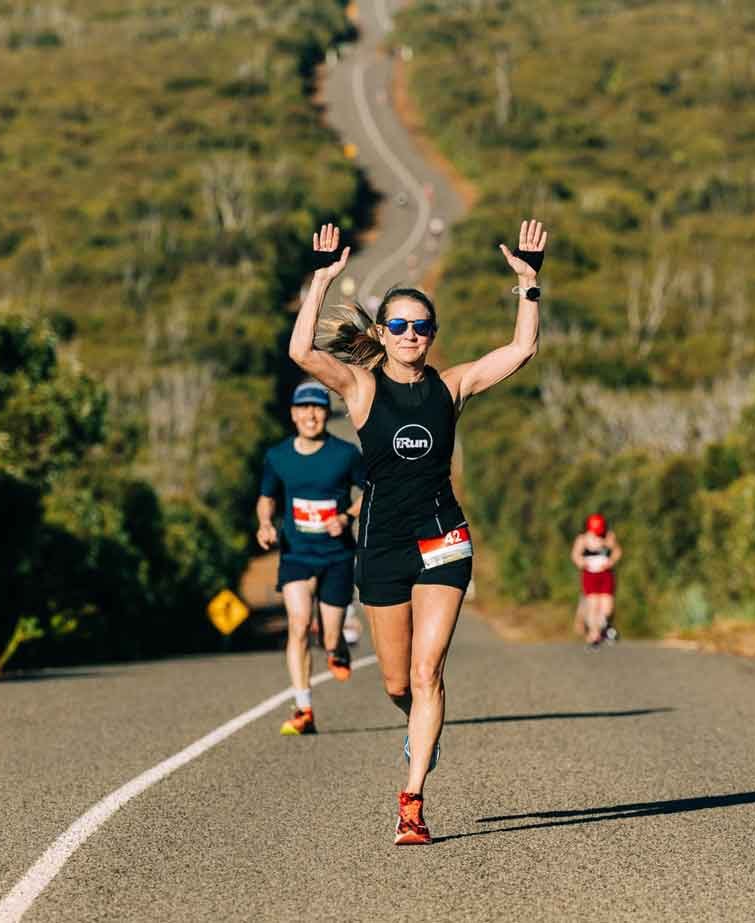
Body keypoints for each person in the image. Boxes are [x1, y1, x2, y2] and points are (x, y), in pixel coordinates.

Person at [289, 219, 546, 844]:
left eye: (421, 326)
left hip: (443, 539)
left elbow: (521, 352)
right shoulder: (361, 386)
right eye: (399, 326)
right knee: (399, 682)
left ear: (432, 334)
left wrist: (529, 286)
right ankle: (423, 724)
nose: (411, 335)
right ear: (382, 333)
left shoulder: (450, 386)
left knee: (429, 674)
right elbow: (301, 353)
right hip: (382, 547)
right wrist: (321, 281)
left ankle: (412, 800)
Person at [257, 380, 365, 736]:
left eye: (317, 408)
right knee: (299, 623)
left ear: (325, 414)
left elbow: (371, 491)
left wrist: (347, 517)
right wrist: (265, 525)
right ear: (293, 414)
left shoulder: (346, 454)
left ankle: (337, 650)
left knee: (330, 638)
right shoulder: (278, 457)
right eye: (303, 408)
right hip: (296, 554)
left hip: (336, 555)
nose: (311, 415)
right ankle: (303, 708)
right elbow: (267, 498)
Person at [571, 513, 622, 648]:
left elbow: (617, 552)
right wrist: (581, 562)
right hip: (590, 574)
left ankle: (605, 628)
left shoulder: (609, 536)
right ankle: (594, 634)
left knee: (607, 606)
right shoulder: (583, 539)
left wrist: (611, 560)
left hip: (605, 574)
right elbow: (575, 554)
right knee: (593, 604)